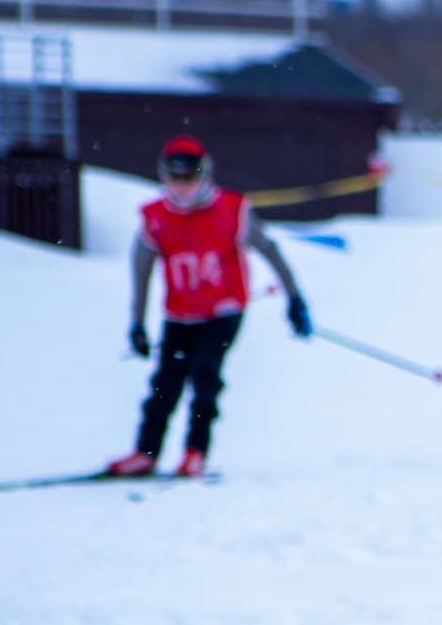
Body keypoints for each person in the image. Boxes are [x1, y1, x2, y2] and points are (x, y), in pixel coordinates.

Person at [106, 135, 310, 478]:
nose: (182, 186)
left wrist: (295, 299)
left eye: (189, 177)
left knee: (204, 372)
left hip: (223, 310)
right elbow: (141, 271)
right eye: (175, 177)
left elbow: (271, 250)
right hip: (180, 314)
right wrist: (137, 324)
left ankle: (195, 451)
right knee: (165, 382)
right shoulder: (156, 218)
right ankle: (146, 452)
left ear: (204, 174)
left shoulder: (231, 211)